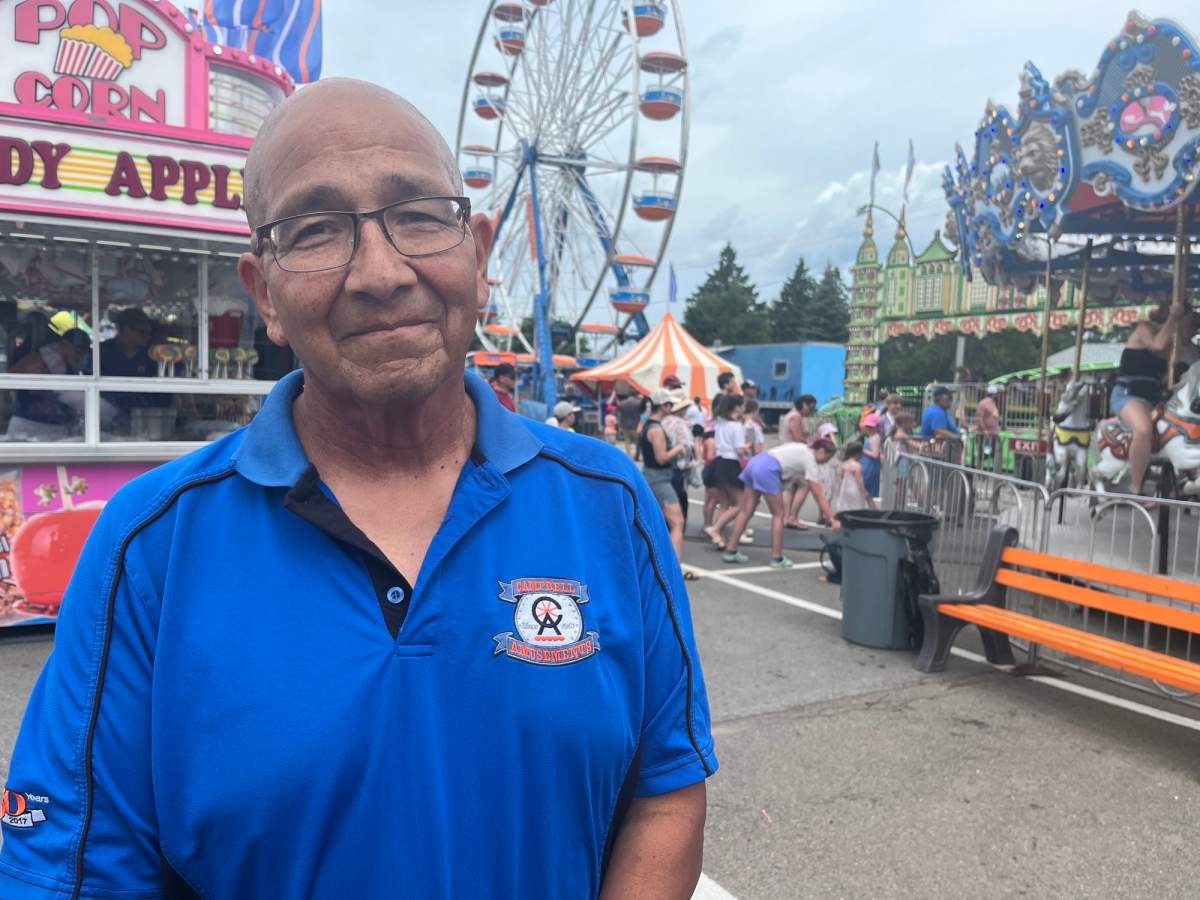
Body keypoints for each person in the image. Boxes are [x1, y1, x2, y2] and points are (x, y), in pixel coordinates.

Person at [0, 80, 715, 899]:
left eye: (417, 214)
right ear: (263, 292)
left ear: (479, 255)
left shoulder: (608, 504)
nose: (381, 273)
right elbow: (73, 871)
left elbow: (665, 790)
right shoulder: (152, 544)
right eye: (315, 230)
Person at [721, 438, 839, 568]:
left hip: (755, 462)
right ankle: (777, 558)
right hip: (768, 468)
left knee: (746, 510)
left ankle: (730, 550)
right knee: (779, 514)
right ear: (821, 451)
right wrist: (832, 519)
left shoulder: (801, 446)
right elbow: (818, 494)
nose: (826, 462)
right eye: (828, 457)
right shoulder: (810, 460)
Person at [1110, 300, 1188, 496]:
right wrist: (1174, 317)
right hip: (1128, 394)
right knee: (1143, 429)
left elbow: (1164, 377)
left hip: (1152, 397)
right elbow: (1156, 344)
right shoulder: (1145, 328)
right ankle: (1135, 487)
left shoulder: (1172, 345)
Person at [641, 388, 698, 583]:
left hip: (654, 477)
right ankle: (674, 570)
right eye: (670, 404)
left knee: (662, 523)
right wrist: (679, 448)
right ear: (664, 406)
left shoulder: (649, 425)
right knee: (677, 522)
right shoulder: (656, 429)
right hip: (659, 479)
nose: (672, 408)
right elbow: (661, 457)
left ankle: (664, 567)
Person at [703, 393, 748, 547]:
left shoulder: (720, 423)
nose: (744, 408)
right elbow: (740, 450)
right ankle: (715, 529)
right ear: (736, 407)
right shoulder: (736, 426)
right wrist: (747, 449)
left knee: (724, 504)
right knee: (741, 505)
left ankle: (719, 536)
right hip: (730, 464)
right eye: (742, 405)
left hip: (718, 463)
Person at [836, 441, 874, 512]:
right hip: (855, 489)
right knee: (856, 507)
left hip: (845, 489)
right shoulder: (857, 466)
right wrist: (863, 491)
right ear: (858, 454)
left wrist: (839, 489)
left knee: (847, 507)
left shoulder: (845, 464)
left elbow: (840, 477)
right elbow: (859, 480)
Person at [974, 384, 1001, 469]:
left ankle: (995, 474)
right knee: (982, 454)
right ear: (994, 394)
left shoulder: (993, 403)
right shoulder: (983, 403)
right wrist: (985, 431)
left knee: (994, 454)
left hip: (992, 433)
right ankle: (978, 472)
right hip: (984, 434)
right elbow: (979, 418)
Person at [860, 413, 882, 498]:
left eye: (871, 427)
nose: (869, 429)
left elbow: (875, 454)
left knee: (867, 494)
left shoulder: (875, 437)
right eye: (867, 426)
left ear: (876, 427)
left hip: (870, 468)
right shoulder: (870, 437)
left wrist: (861, 450)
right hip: (867, 466)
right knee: (866, 494)